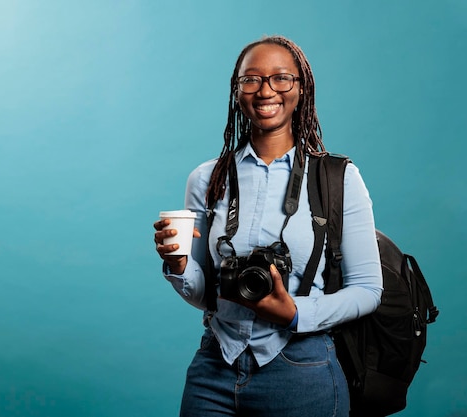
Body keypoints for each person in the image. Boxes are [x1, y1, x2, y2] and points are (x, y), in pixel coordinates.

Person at [153, 35, 383, 417]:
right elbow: (203, 294)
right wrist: (178, 267)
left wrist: (294, 313)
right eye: (251, 79)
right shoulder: (207, 178)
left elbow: (369, 289)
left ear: (301, 88)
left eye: (281, 78)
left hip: (303, 369)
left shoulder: (337, 179)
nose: (265, 91)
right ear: (237, 90)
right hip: (215, 366)